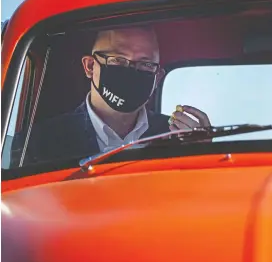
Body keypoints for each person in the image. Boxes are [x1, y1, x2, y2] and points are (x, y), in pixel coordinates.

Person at [10, 26, 210, 167]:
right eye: (117, 60)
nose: (131, 71)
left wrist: (204, 154)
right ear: (90, 66)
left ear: (157, 77)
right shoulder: (37, 143)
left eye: (145, 64)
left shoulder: (178, 139)